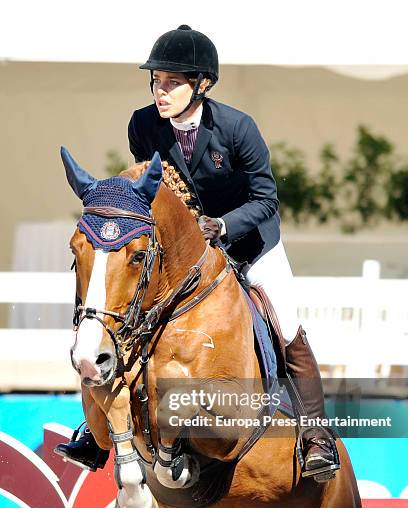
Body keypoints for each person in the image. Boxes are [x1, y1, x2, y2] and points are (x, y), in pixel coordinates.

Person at [56, 25, 339, 481]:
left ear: (201, 85)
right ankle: (98, 428)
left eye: (172, 82)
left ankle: (315, 437)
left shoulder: (237, 128)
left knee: (288, 328)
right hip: (186, 252)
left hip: (249, 243)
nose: (160, 91)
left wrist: (223, 226)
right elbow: (153, 196)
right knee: (128, 314)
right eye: (156, 82)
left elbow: (266, 200)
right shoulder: (143, 125)